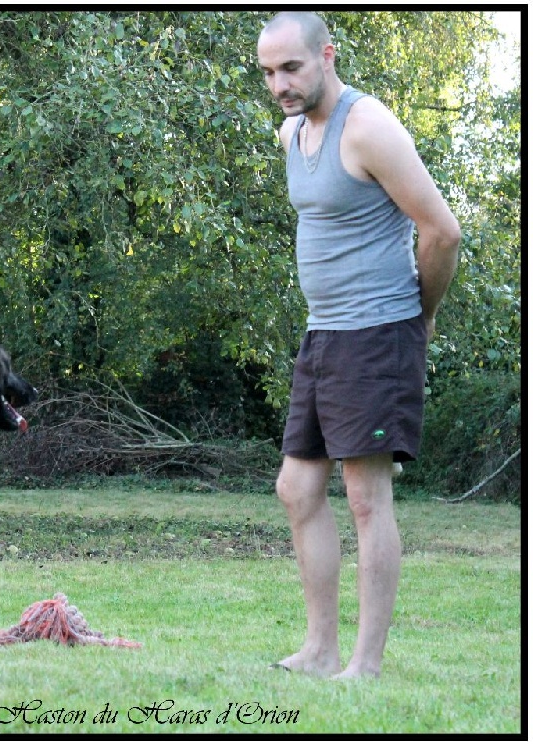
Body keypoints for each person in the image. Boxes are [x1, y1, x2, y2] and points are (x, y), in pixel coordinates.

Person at [256, 11, 461, 678]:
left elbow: (442, 232)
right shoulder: (292, 132)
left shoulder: (368, 127)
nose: (280, 85)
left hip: (376, 333)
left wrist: (421, 317)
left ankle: (364, 665)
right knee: (297, 489)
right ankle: (320, 650)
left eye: (291, 68)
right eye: (269, 73)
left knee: (367, 498)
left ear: (327, 55)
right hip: (323, 333)